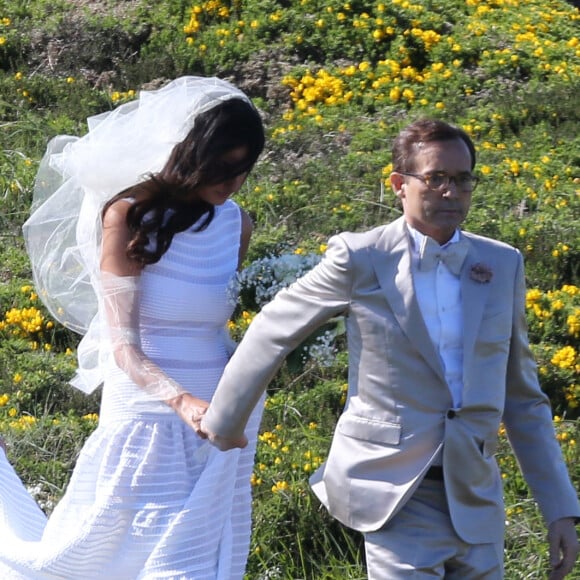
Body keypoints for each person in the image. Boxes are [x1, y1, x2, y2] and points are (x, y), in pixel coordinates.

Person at [200, 118, 580, 579]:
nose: (450, 191)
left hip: (477, 495)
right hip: (394, 490)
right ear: (400, 185)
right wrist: (224, 424)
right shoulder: (361, 257)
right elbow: (273, 328)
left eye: (462, 180)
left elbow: (522, 395)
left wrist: (559, 508)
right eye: (436, 178)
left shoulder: (501, 262)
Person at [0, 76, 265, 579]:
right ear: (189, 152)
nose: (232, 183)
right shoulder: (129, 215)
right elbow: (122, 347)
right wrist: (181, 401)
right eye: (222, 167)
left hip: (220, 419)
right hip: (148, 414)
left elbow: (220, 327)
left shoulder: (237, 224)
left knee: (196, 562)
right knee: (110, 556)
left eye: (243, 170)